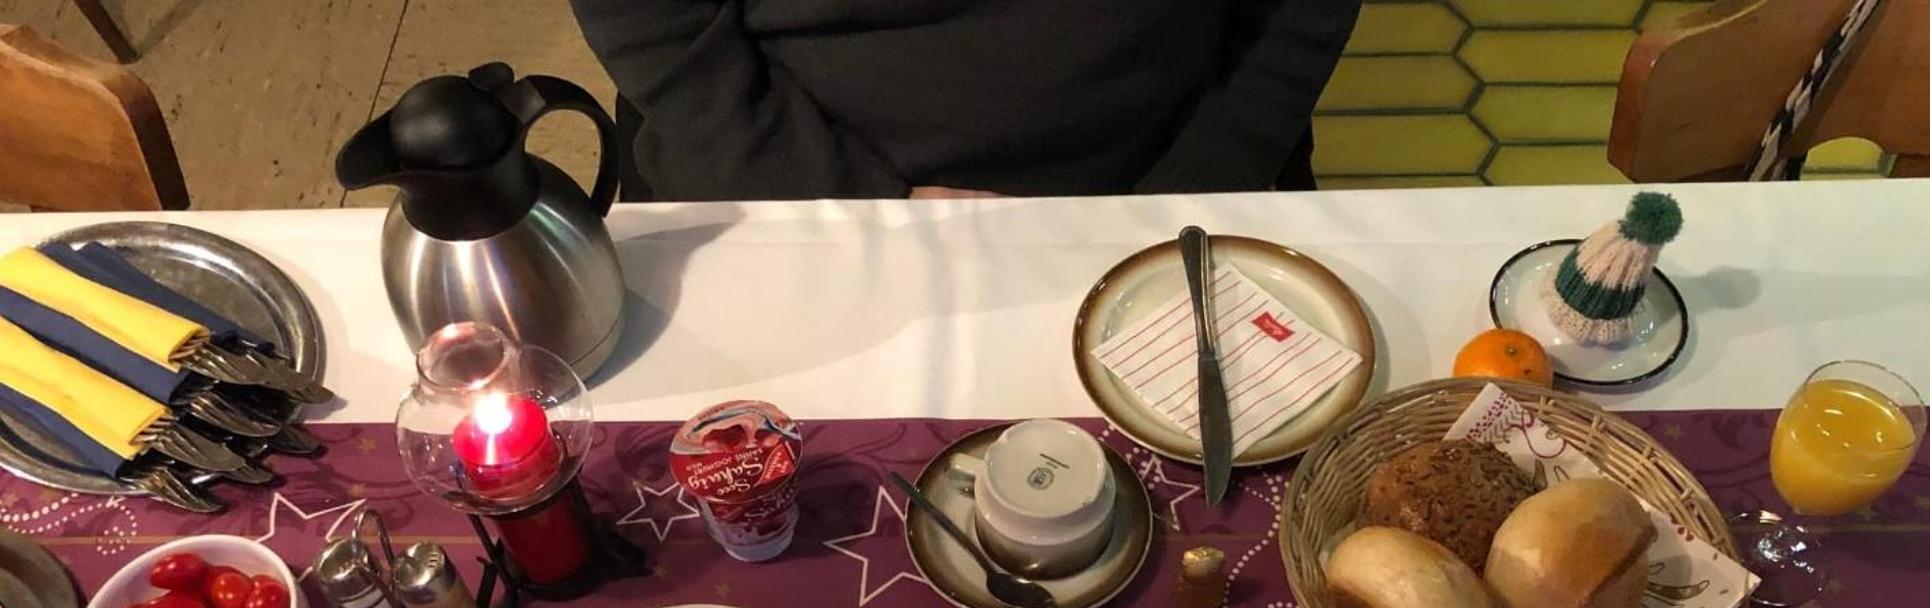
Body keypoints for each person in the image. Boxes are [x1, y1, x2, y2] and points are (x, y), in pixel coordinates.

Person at [568, 0, 1360, 201]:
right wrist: (850, 201)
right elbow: (653, 22)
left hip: (1160, 182)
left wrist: (1200, 180)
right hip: (783, 179)